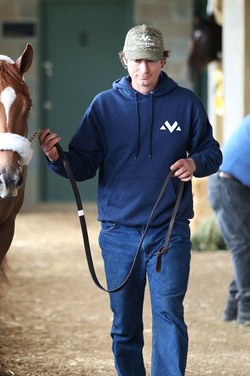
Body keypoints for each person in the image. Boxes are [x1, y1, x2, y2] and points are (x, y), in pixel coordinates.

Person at [39, 24, 222, 376]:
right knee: (124, 324)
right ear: (124, 60)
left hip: (168, 235)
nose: (144, 69)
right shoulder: (103, 107)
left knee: (169, 315)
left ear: (164, 60)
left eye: (152, 61)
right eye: (137, 60)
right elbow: (84, 163)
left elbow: (212, 153)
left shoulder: (186, 103)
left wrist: (194, 162)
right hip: (118, 233)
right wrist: (56, 158)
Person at [208, 114, 250, 326]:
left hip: (235, 185)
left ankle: (233, 310)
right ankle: (246, 313)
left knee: (245, 247)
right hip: (228, 184)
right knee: (243, 247)